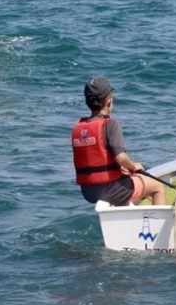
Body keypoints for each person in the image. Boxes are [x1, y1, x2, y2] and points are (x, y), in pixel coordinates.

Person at [71, 77, 166, 207]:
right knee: (158, 187)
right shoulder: (110, 124)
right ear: (109, 101)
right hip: (108, 189)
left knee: (124, 181)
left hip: (88, 191)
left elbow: (96, 157)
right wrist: (133, 167)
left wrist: (121, 169)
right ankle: (157, 225)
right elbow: (121, 157)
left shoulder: (78, 128)